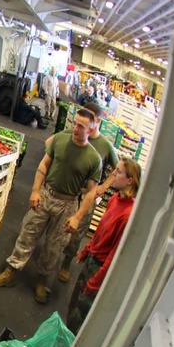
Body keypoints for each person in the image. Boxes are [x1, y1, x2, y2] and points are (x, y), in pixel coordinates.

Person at [0, 108, 102, 303]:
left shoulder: (93, 158)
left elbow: (91, 192)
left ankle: (41, 279)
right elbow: (44, 165)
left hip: (68, 203)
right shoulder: (59, 140)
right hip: (46, 195)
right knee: (28, 233)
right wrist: (35, 191)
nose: (75, 128)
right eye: (75, 123)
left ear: (90, 130)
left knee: (55, 246)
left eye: (81, 126)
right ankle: (11, 270)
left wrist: (77, 217)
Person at [66, 159, 142, 332]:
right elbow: (101, 230)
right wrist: (87, 249)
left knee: (82, 313)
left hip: (100, 268)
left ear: (130, 180)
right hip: (92, 260)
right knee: (74, 304)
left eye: (118, 171)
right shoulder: (115, 199)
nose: (113, 174)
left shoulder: (128, 215)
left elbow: (115, 256)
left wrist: (95, 283)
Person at [56, 101, 119, 282]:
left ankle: (67, 262)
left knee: (77, 232)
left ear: (97, 121)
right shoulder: (72, 134)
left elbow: (117, 170)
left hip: (86, 194)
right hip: (66, 190)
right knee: (56, 226)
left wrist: (103, 187)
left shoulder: (105, 145)